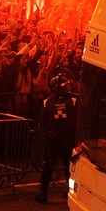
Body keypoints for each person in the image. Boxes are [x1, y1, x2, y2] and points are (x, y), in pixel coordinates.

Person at [35, 74, 77, 204]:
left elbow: (42, 123)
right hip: (67, 139)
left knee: (49, 165)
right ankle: (72, 192)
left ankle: (43, 192)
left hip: (52, 139)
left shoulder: (46, 103)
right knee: (69, 166)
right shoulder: (73, 101)